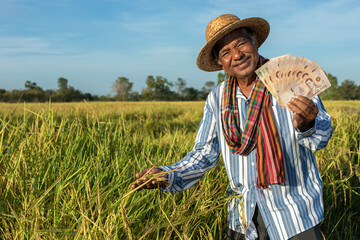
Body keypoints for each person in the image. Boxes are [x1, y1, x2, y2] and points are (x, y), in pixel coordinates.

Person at [131, 14, 332, 240]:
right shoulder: (217, 98)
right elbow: (204, 154)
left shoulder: (288, 79)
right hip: (243, 217)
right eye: (225, 53)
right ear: (220, 63)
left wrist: (308, 124)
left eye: (241, 44)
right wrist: (168, 174)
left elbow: (322, 137)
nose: (236, 55)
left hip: (295, 214)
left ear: (254, 42)